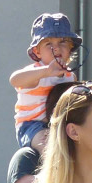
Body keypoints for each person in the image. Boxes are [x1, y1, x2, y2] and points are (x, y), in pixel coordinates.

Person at [9, 13, 81, 150]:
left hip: (60, 124)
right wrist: (46, 71)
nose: (57, 48)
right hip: (32, 125)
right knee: (48, 145)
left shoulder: (70, 76)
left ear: (71, 47)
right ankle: (54, 168)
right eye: (49, 44)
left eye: (63, 42)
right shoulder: (37, 73)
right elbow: (15, 79)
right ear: (37, 52)